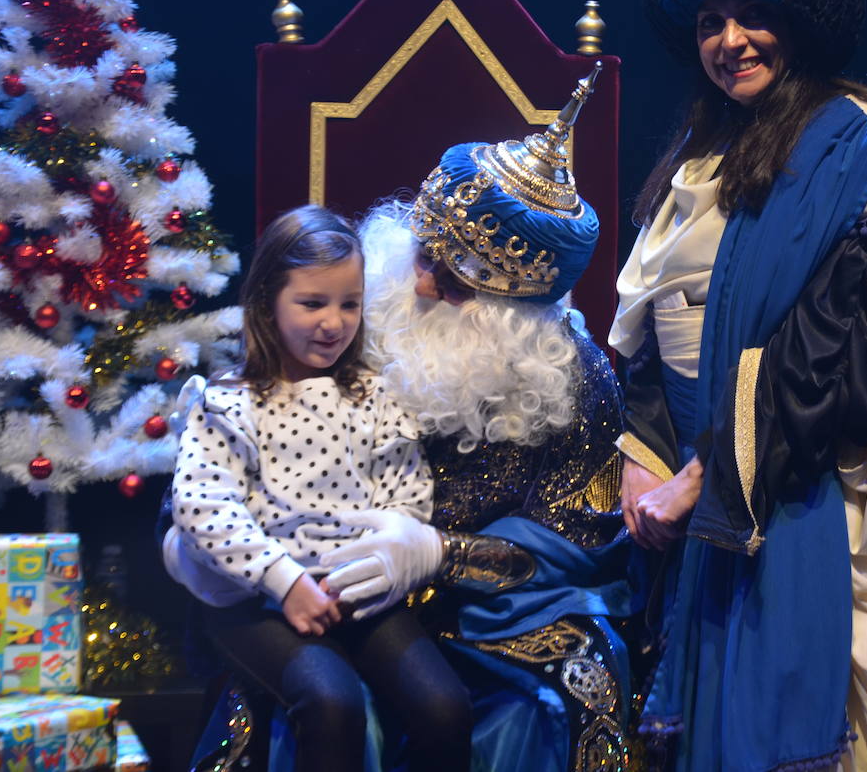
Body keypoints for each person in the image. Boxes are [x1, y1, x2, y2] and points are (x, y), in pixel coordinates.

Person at [169, 68, 639, 771]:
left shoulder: (581, 380)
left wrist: (434, 553)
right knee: (294, 695)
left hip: (496, 613)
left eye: (452, 280)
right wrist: (200, 552)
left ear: (518, 314)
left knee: (584, 681)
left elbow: (578, 538)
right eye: (424, 253)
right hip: (318, 584)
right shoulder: (353, 314)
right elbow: (229, 454)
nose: (418, 282)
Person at [611, 0, 867, 772]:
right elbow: (646, 330)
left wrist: (703, 478)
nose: (730, 41)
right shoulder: (702, 150)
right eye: (709, 22)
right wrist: (641, 459)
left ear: (797, 17)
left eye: (752, 13)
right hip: (689, 514)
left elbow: (826, 357)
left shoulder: (857, 150)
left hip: (786, 498)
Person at [164, 204, 472, 772]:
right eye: (312, 303)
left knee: (445, 706)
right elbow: (204, 506)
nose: (334, 322)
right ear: (266, 303)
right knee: (331, 702)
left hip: (353, 594)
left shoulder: (372, 396)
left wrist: (384, 558)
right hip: (260, 602)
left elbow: (407, 492)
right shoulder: (229, 404)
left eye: (349, 304)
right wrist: (285, 582)